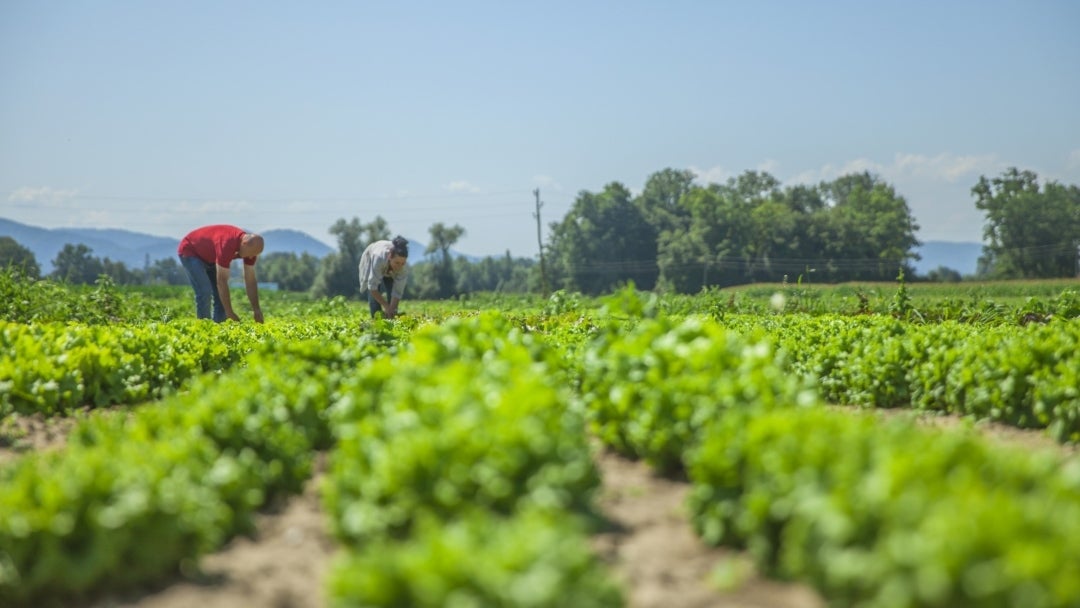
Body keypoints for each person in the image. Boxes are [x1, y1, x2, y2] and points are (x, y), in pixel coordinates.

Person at [177, 224, 265, 323]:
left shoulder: (251, 251)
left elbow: (250, 281)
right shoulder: (226, 244)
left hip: (211, 257)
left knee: (220, 296)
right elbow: (222, 281)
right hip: (191, 251)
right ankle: (204, 327)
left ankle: (218, 329)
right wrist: (229, 312)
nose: (251, 257)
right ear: (244, 243)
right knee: (204, 291)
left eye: (254, 255)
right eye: (251, 254)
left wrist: (256, 310)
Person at [358, 235, 410, 319]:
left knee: (391, 294)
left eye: (402, 263)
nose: (399, 266)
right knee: (374, 299)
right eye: (397, 263)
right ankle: (376, 319)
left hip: (389, 270)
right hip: (372, 257)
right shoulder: (378, 258)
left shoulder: (404, 268)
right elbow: (372, 287)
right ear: (390, 257)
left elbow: (397, 292)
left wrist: (391, 309)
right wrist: (386, 306)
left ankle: (391, 318)